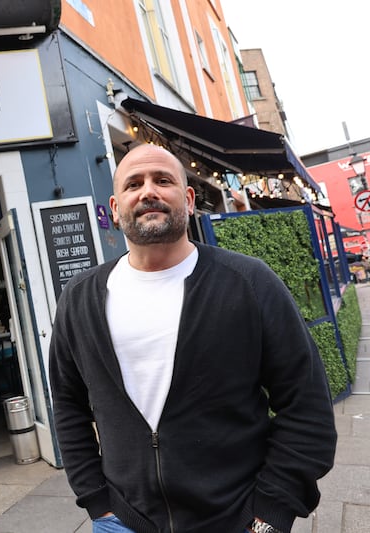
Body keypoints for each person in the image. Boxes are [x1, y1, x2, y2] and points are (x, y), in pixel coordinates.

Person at [48, 144, 337, 533]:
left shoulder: (249, 283)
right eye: (133, 184)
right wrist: (97, 500)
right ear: (115, 209)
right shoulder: (79, 298)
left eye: (162, 180)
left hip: (236, 518)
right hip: (122, 521)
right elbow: (68, 404)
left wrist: (271, 511)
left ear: (187, 199)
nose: (148, 191)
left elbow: (306, 403)